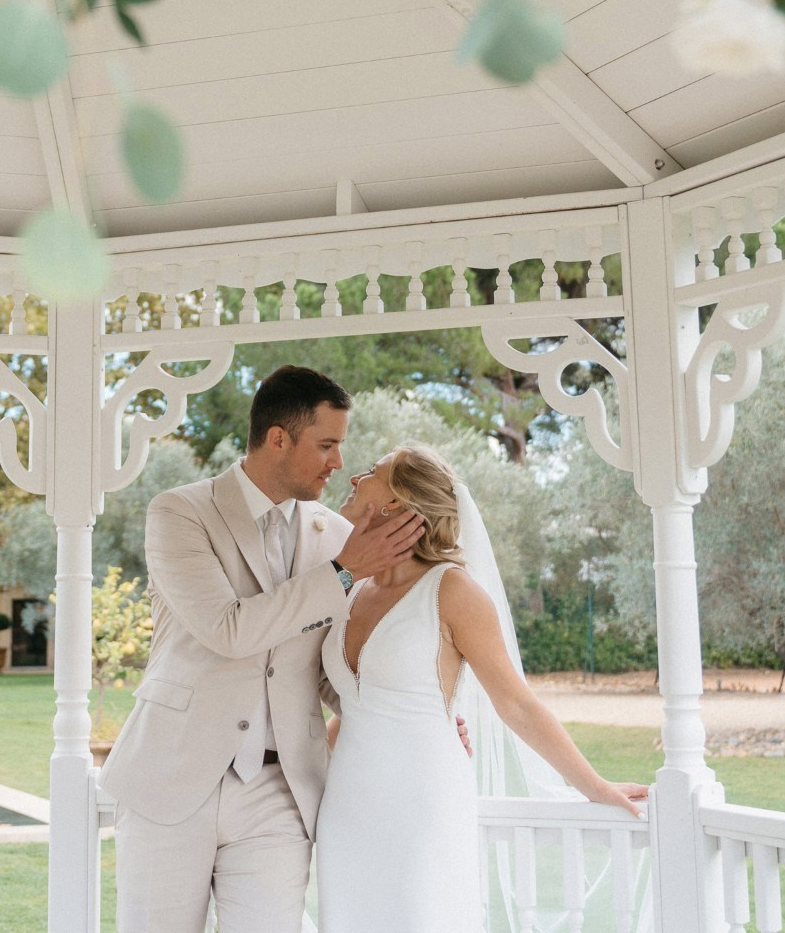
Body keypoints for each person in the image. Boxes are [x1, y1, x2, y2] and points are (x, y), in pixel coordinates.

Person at [102, 366, 425, 933]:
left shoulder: (333, 535)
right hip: (172, 776)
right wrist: (346, 572)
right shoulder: (180, 513)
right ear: (279, 438)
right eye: (327, 445)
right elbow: (230, 630)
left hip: (282, 791)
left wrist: (414, 715)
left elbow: (325, 671)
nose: (339, 463)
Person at [315, 446, 650, 932]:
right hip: (347, 807)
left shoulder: (453, 591)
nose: (356, 476)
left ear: (397, 505)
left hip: (423, 802)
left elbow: (515, 703)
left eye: (374, 472)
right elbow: (358, 707)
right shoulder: (348, 589)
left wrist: (594, 786)